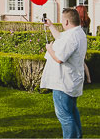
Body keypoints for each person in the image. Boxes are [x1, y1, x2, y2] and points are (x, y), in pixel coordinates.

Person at [40, 8, 87, 139]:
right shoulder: (77, 33)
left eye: (62, 21)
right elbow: (61, 38)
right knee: (72, 111)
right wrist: (51, 26)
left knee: (65, 116)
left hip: (63, 83)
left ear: (66, 21)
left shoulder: (71, 37)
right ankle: (77, 136)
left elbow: (60, 58)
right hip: (71, 81)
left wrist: (49, 49)